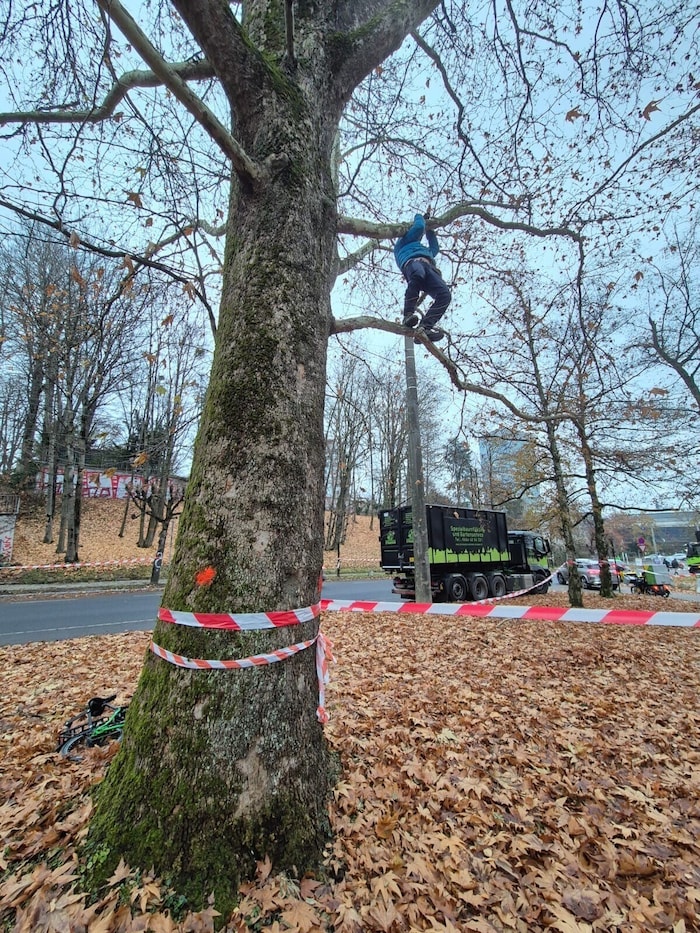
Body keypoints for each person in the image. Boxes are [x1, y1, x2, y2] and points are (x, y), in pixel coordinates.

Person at [394, 211, 451, 342]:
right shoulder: (403, 243)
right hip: (413, 263)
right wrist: (421, 218)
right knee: (417, 277)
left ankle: (425, 328)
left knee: (445, 295)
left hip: (430, 268)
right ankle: (408, 315)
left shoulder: (426, 251)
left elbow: (434, 247)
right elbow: (419, 227)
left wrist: (430, 230)